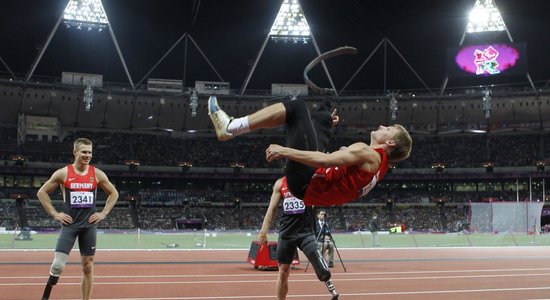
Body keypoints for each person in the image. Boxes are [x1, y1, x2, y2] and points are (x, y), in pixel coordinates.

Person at [208, 96, 412, 206]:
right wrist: (323, 126)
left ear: (391, 143)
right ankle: (323, 121)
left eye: (388, 128)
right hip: (313, 191)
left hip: (307, 182)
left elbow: (323, 161)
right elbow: (339, 173)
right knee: (321, 117)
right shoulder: (380, 165)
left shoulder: (367, 153)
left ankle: (231, 127)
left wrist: (285, 151)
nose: (382, 126)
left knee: (297, 107)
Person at [37, 138, 119, 300]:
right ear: (75, 152)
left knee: (88, 266)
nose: (87, 155)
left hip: (89, 226)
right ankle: (46, 294)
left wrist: (103, 213)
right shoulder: (63, 173)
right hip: (70, 225)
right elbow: (41, 192)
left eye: (90, 152)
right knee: (58, 265)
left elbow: (114, 193)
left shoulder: (96, 173)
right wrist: (55, 213)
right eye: (84, 152)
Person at [259, 177, 339, 300]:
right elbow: (272, 208)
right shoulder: (280, 183)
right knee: (283, 272)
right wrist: (263, 232)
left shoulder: (310, 180)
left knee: (320, 265)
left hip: (305, 233)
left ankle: (329, 283)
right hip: (287, 234)